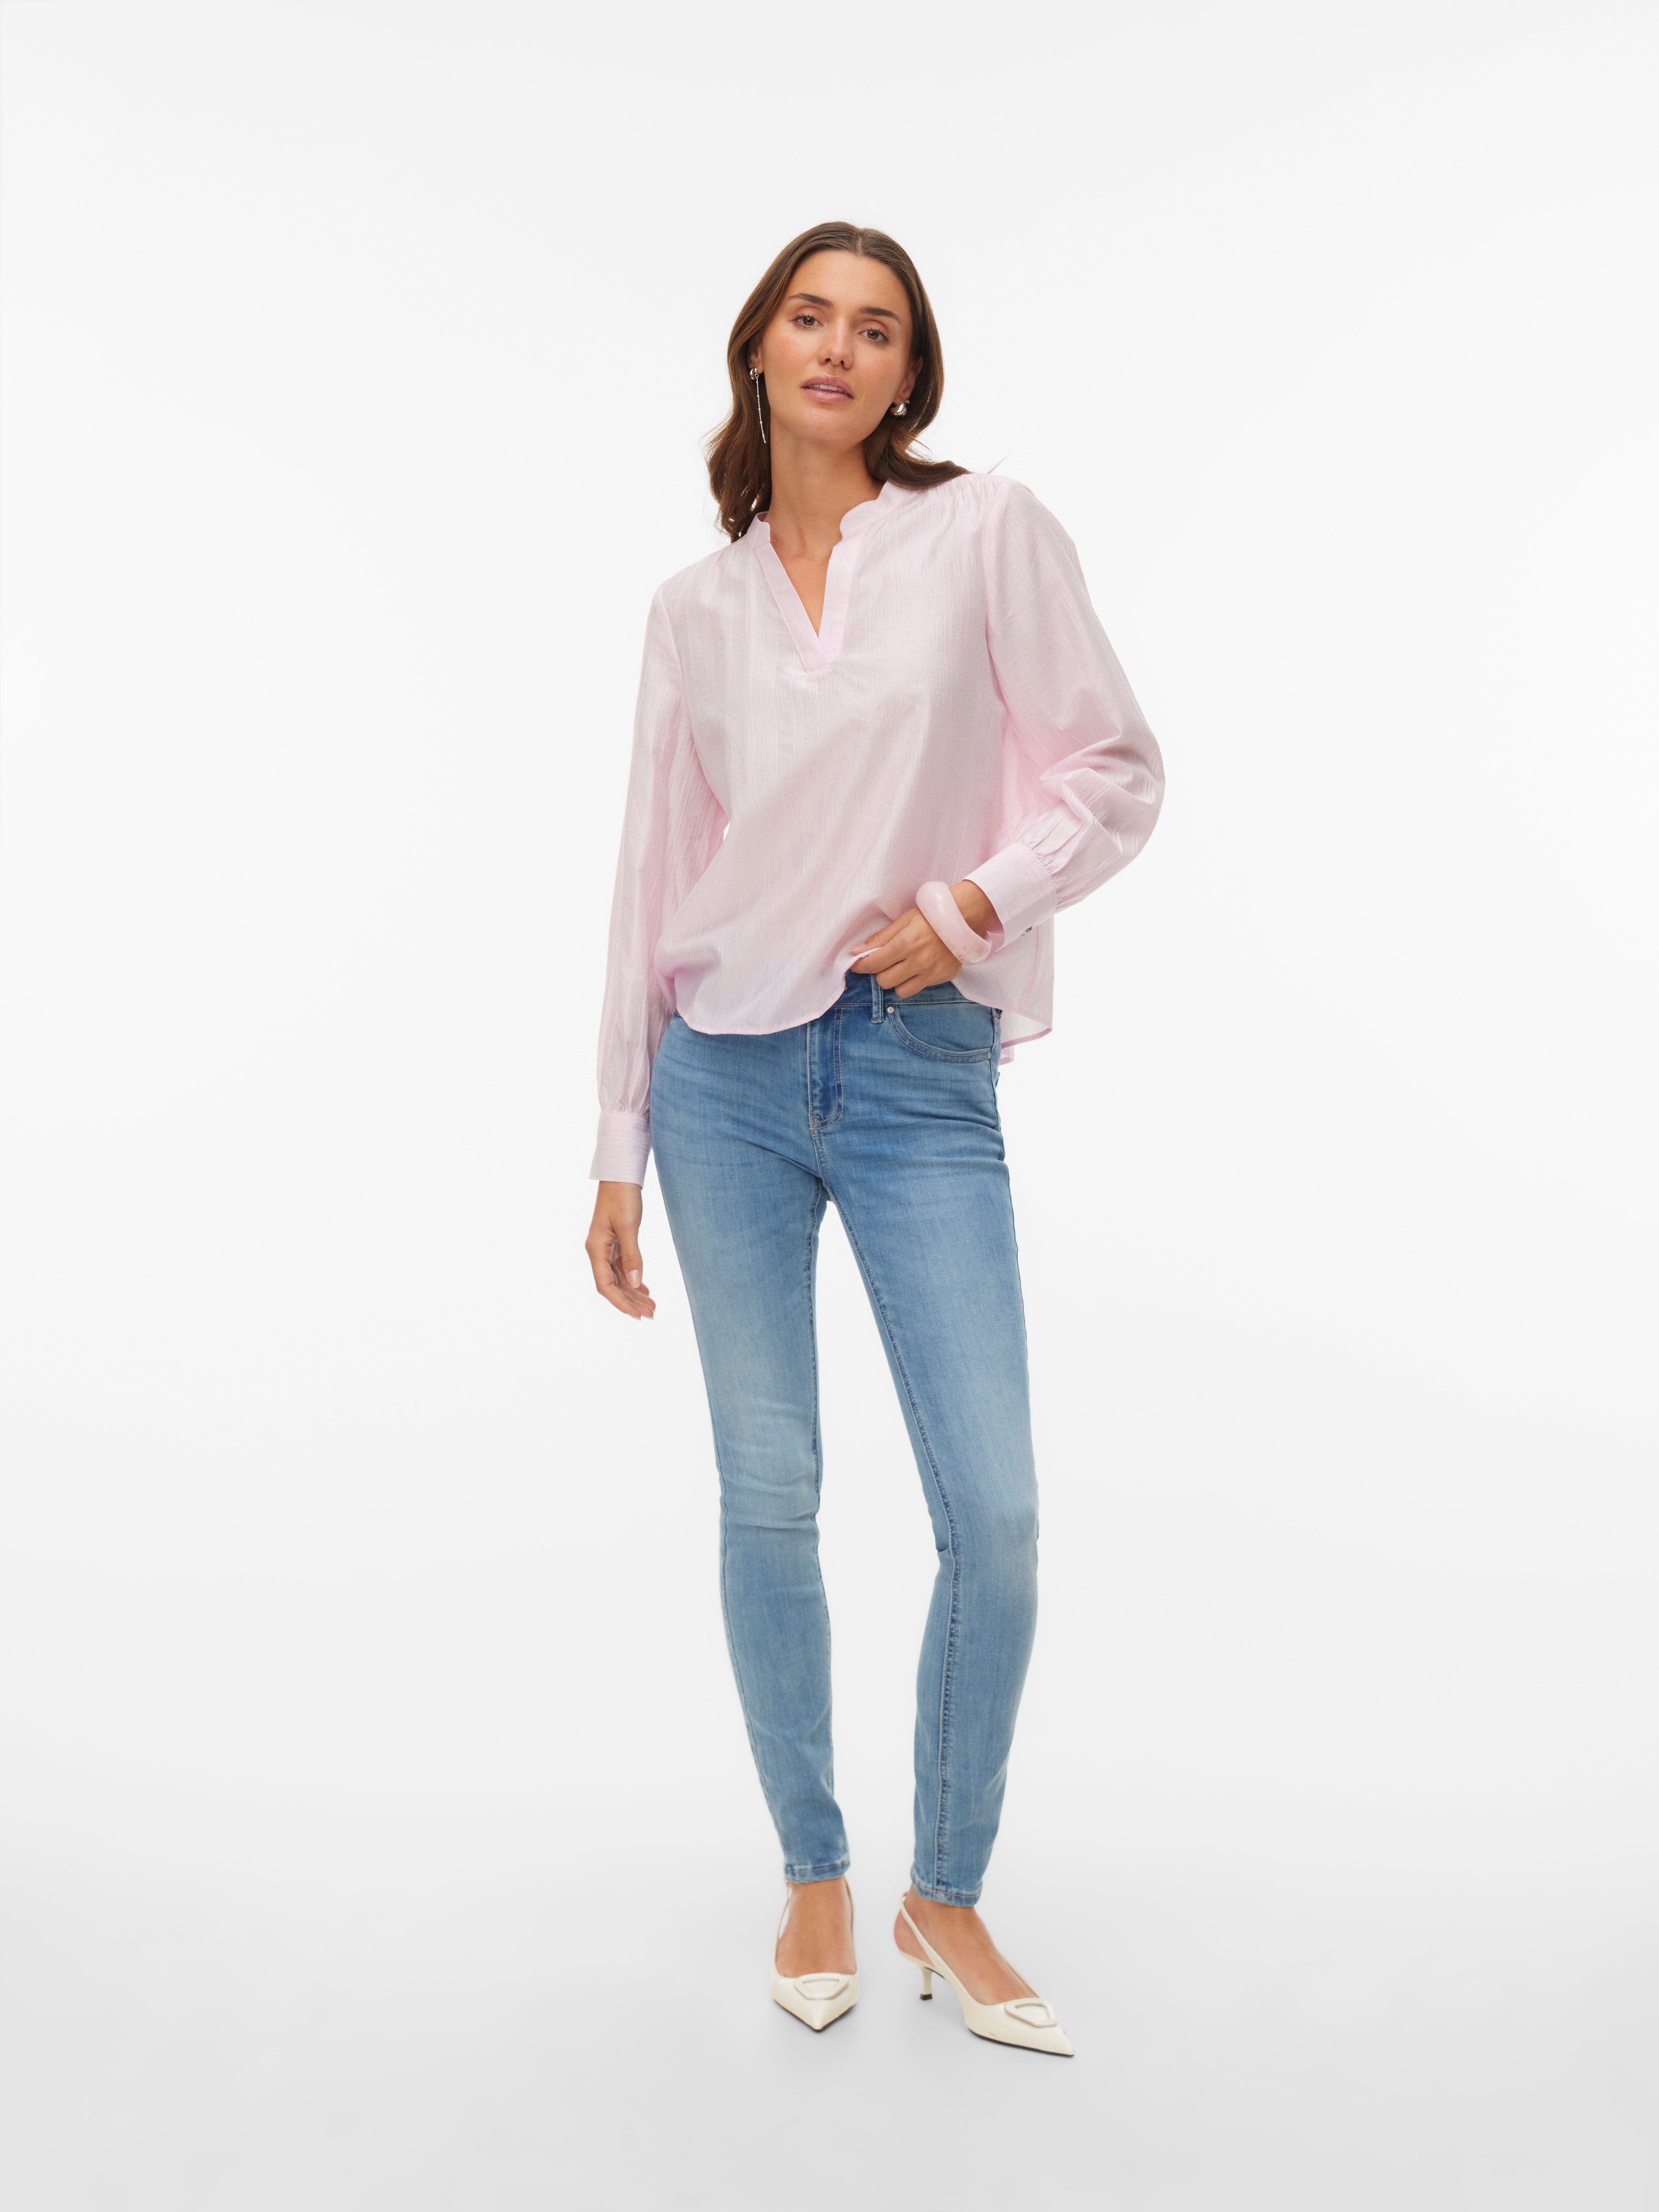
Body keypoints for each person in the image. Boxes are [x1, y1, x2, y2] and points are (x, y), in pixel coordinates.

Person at [585, 220, 1164, 2053]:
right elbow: (653, 874)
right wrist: (615, 1132)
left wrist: (975, 903)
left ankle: (949, 1888)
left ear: (911, 374)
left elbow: (1116, 767)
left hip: (918, 1073)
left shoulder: (986, 531)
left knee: (994, 1510)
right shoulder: (694, 608)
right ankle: (816, 1869)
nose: (838, 347)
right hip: (722, 1085)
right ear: (758, 348)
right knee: (770, 1492)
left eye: (879, 327)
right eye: (809, 316)